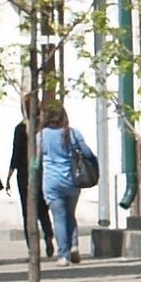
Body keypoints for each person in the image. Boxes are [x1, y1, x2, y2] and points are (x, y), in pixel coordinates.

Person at [37, 105, 89, 265]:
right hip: (72, 180)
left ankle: (63, 255)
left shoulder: (41, 136)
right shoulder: (73, 133)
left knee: (59, 218)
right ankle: (74, 246)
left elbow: (36, 160)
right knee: (70, 215)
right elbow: (87, 153)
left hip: (52, 182)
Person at [8, 115, 56, 259]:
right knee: (42, 208)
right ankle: (48, 235)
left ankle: (32, 247)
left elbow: (16, 153)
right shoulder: (43, 128)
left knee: (27, 211)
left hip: (24, 173)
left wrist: (9, 175)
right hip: (42, 172)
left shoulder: (21, 128)